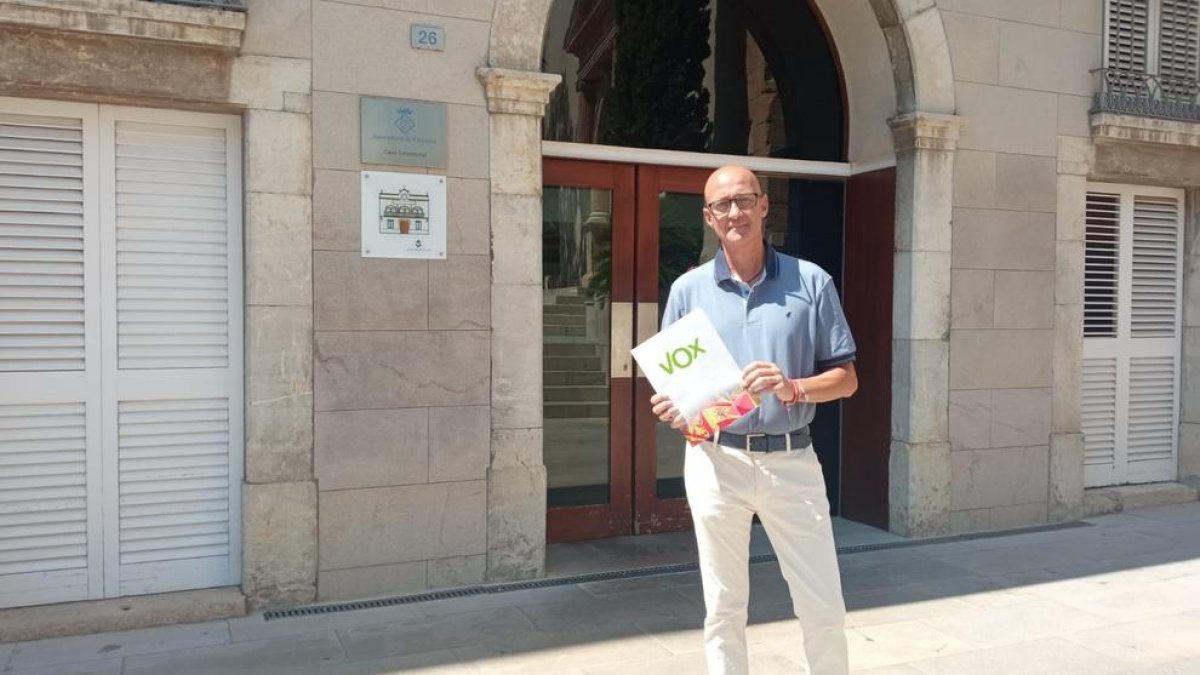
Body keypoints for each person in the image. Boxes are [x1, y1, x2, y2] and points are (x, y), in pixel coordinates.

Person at [650, 165, 857, 675]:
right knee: (723, 607)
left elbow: (848, 379)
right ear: (708, 218)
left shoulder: (811, 282)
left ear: (764, 205)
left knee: (822, 604)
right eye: (723, 205)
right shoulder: (687, 291)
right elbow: (679, 391)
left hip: (792, 460)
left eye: (744, 200)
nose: (735, 212)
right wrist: (675, 411)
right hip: (716, 461)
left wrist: (794, 387)